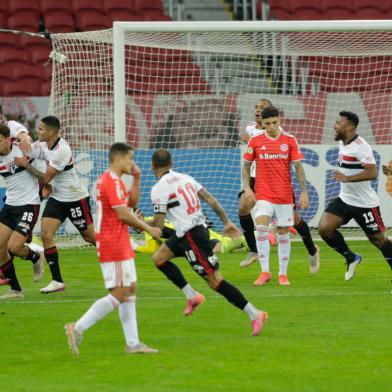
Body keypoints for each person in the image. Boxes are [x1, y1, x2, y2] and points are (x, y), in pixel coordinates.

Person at [149, 149, 268, 336]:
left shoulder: (158, 188)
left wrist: (138, 222)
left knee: (215, 282)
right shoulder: (185, 178)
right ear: (171, 164)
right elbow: (210, 199)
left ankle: (255, 314)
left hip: (192, 237)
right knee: (159, 258)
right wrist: (226, 221)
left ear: (153, 166)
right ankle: (192, 296)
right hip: (189, 232)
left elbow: (157, 225)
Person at [65, 142, 161, 355]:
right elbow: (123, 214)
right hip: (112, 243)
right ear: (118, 158)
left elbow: (131, 204)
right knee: (119, 293)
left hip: (121, 241)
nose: (132, 163)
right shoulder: (108, 181)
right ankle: (77, 327)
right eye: (130, 158)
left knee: (131, 288)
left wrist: (137, 178)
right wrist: (148, 228)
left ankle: (133, 343)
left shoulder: (117, 181)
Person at [14, 115, 96, 293]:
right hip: (58, 198)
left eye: (41, 129)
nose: (38, 131)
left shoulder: (62, 150)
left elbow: (46, 177)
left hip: (75, 198)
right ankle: (57, 281)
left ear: (51, 132)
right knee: (45, 233)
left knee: (90, 237)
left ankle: (117, 250)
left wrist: (25, 165)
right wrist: (20, 138)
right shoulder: (42, 145)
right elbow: (24, 151)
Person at [239, 99, 320, 273]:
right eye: (256, 107)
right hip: (257, 178)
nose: (258, 110)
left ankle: (312, 249)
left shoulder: (281, 134)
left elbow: (294, 162)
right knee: (244, 207)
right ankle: (254, 251)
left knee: (294, 218)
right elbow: (250, 147)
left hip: (277, 181)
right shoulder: (250, 129)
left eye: (262, 108)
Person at [318, 111, 392, 280]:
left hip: (365, 204)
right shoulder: (343, 143)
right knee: (324, 229)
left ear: (349, 127)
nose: (335, 126)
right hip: (345, 199)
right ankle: (351, 257)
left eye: (338, 123)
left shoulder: (361, 146)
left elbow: (372, 172)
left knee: (379, 241)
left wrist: (347, 178)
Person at [0, 123, 44, 299]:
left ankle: (35, 256)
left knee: (14, 247)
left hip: (29, 204)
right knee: (0, 248)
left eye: (0, 140)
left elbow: (44, 176)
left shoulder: (24, 149)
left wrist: (26, 165)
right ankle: (15, 290)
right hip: (10, 205)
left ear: (8, 139)